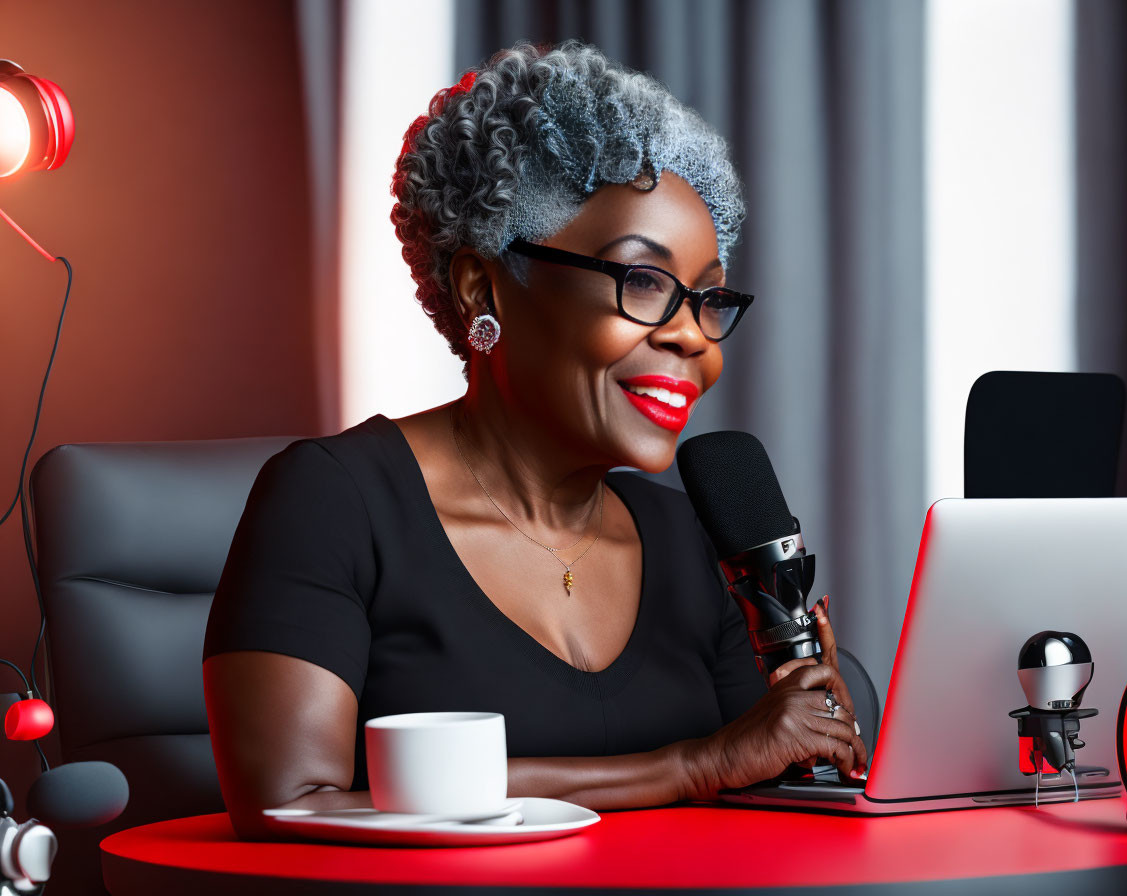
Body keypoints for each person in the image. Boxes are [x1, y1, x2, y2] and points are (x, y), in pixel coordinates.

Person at [202, 40, 866, 840]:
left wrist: (810, 747)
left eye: (708, 298)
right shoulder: (334, 500)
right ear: (485, 288)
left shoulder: (688, 537)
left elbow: (756, 783)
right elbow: (288, 805)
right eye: (645, 282)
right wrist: (688, 767)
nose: (695, 337)